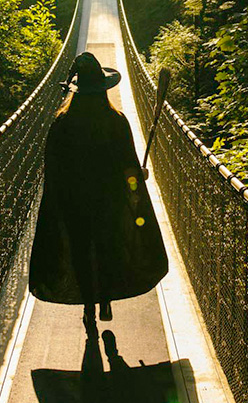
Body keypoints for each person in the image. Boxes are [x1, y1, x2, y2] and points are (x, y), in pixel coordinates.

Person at [29, 51, 168, 333]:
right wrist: (137, 183)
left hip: (73, 202)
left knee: (80, 252)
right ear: (103, 91)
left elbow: (53, 168)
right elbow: (129, 166)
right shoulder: (117, 121)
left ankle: (89, 307)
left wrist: (57, 202)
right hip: (109, 201)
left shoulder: (62, 124)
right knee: (107, 248)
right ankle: (105, 298)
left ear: (75, 92)